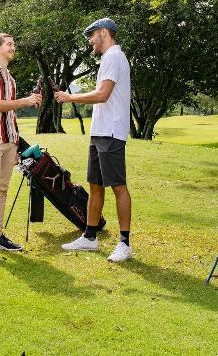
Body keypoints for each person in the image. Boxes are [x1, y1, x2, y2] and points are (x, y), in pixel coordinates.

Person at [55, 18, 132, 262]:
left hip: (111, 133)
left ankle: (124, 244)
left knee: (118, 186)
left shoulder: (113, 57)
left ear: (103, 33)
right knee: (95, 185)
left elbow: (102, 95)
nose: (90, 41)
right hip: (100, 132)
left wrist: (70, 97)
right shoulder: (108, 58)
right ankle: (89, 237)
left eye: (92, 36)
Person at [0, 33, 42, 259]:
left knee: (2, 189)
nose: (13, 47)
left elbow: (10, 114)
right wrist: (25, 101)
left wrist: (15, 143)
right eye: (9, 44)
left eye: (13, 44)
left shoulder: (10, 78)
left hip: (8, 141)